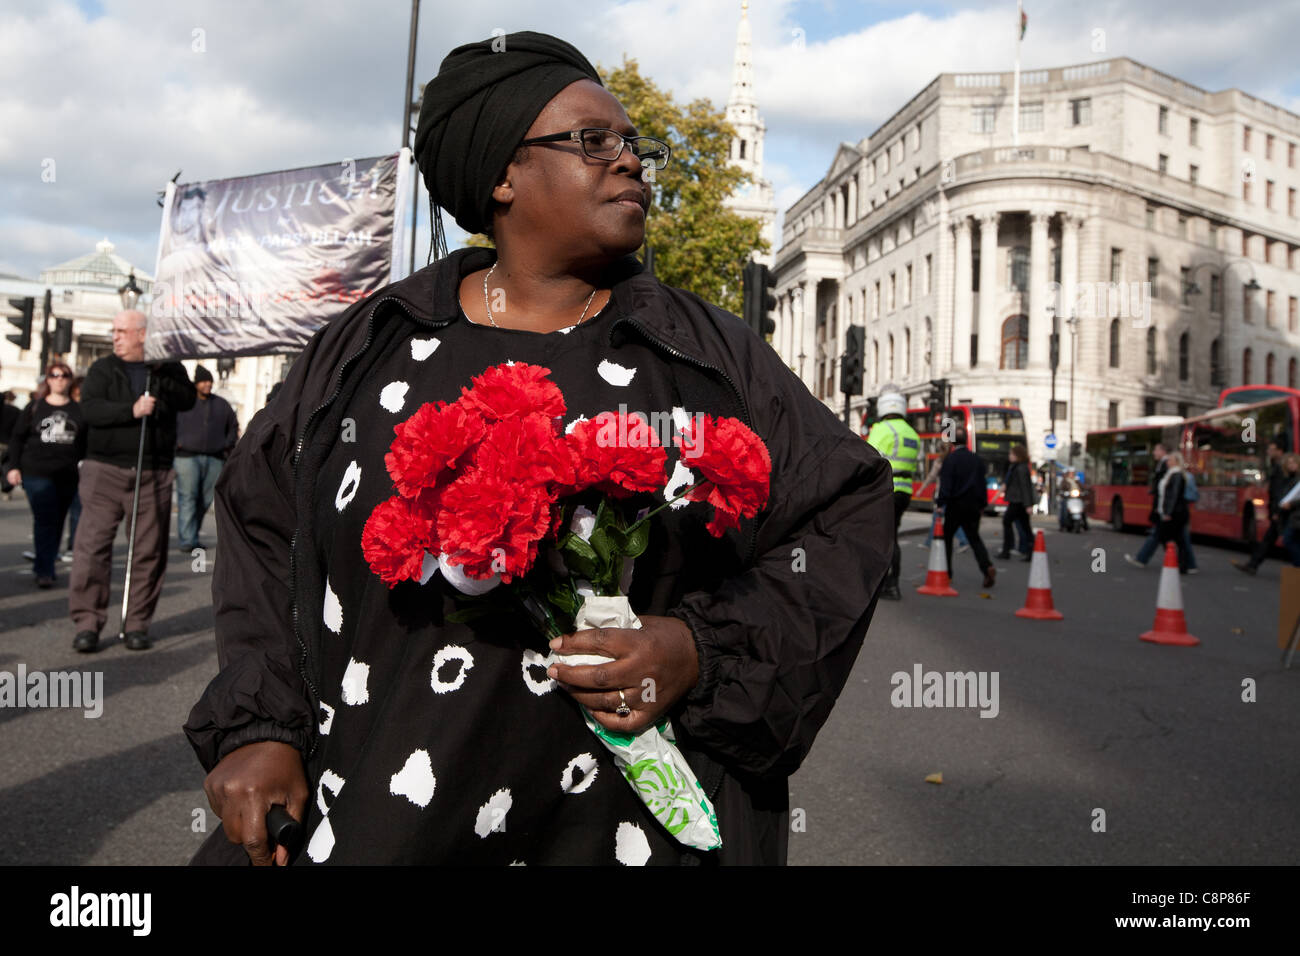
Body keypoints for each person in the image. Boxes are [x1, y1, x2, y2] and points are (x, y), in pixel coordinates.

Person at [184, 31, 894, 867]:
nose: (631, 161)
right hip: (386, 812)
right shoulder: (365, 350)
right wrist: (261, 729)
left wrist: (700, 648)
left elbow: (846, 509)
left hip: (615, 834)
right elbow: (262, 522)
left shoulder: (707, 355)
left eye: (635, 144)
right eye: (595, 141)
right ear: (501, 175)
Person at [70, 310, 196, 652]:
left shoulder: (168, 368)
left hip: (152, 472)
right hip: (105, 470)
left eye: (123, 331)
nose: (115, 337)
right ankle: (87, 622)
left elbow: (187, 400)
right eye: (114, 331)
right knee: (91, 548)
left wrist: (165, 371)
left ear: (143, 335)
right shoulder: (102, 369)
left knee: (147, 551)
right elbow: (91, 410)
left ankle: (137, 622)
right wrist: (131, 410)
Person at [4, 363, 86, 587]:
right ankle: (44, 569)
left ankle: (46, 562)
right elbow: (17, 438)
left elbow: (85, 442)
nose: (59, 379)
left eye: (64, 376)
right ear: (48, 380)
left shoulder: (78, 410)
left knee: (58, 520)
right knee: (45, 519)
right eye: (54, 375)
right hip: (36, 472)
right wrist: (13, 467)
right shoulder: (35, 407)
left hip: (68, 474)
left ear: (70, 380)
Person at [174, 364, 239, 552]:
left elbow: (233, 425)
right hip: (186, 456)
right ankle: (188, 540)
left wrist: (227, 445)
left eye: (210, 381)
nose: (207, 385)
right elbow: (171, 423)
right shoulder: (185, 402)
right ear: (196, 384)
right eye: (203, 381)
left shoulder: (221, 404)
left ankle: (193, 534)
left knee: (205, 498)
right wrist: (177, 443)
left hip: (215, 457)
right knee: (188, 497)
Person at [865, 385, 920, 600]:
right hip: (905, 491)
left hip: (886, 490)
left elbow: (869, 456)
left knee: (880, 538)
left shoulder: (882, 429)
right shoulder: (912, 433)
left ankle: (881, 584)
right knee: (892, 536)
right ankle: (893, 583)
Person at [936, 427, 995, 588]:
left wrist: (941, 503)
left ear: (953, 441)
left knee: (946, 538)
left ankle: (947, 573)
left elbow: (946, 484)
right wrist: (983, 504)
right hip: (973, 505)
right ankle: (986, 566)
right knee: (974, 538)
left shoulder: (951, 459)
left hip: (956, 504)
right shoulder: (976, 459)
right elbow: (982, 483)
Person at [1233, 438, 1289, 575]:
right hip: (1281, 508)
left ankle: (1253, 564)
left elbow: (1279, 491)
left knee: (1290, 540)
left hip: (1283, 509)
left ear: (1279, 451)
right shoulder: (1277, 465)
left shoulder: (1282, 467)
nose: (1268, 452)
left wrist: (1277, 510)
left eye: (1271, 449)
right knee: (1269, 539)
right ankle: (1253, 564)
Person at [1124, 441, 1169, 568]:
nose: (1154, 453)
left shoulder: (1165, 465)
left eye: (1156, 450)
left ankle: (1142, 558)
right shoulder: (1162, 465)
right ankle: (1185, 561)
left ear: (1162, 451)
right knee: (1162, 535)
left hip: (1164, 508)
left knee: (1159, 534)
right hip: (1163, 508)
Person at [916, 448, 969, 552]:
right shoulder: (954, 460)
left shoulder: (939, 462)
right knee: (945, 518)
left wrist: (921, 489)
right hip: (954, 495)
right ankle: (929, 542)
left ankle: (963, 541)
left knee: (939, 519)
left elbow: (931, 477)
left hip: (942, 494)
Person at [1154, 451, 1191, 573]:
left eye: (1169, 460)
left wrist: (1168, 512)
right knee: (1178, 538)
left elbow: (1173, 495)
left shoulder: (1176, 475)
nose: (1167, 462)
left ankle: (1180, 562)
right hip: (1174, 511)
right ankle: (1182, 563)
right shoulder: (1171, 474)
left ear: (1175, 461)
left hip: (1175, 512)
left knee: (1167, 536)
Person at [999, 443, 1033, 560]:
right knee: (1025, 526)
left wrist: (1028, 505)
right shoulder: (1016, 467)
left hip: (1018, 501)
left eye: (1011, 454)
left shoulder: (1020, 468)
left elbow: (1025, 486)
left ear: (1017, 455)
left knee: (1007, 522)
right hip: (1018, 500)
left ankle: (1007, 550)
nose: (1009, 456)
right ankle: (1029, 550)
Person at [1274, 454, 1300, 566]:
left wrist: (1291, 504)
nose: (1291, 465)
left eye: (1293, 463)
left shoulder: (1296, 478)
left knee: (1288, 539)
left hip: (1296, 515)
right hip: (1291, 515)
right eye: (1289, 463)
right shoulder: (1288, 478)